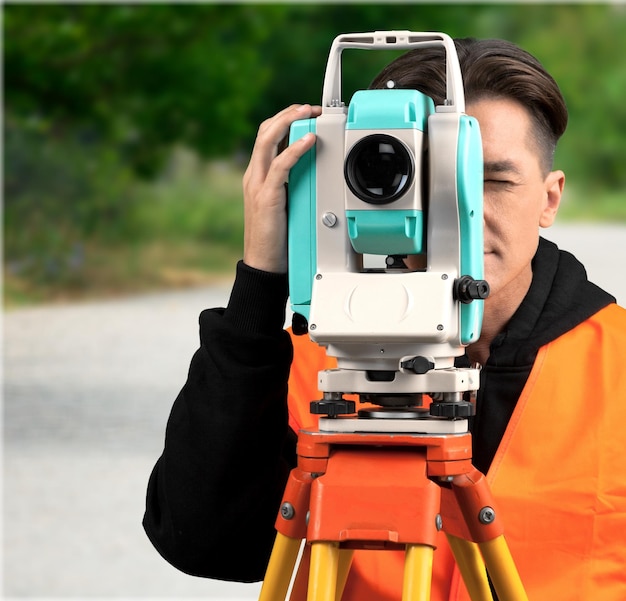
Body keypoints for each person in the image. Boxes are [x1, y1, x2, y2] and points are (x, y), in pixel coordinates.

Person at [143, 37, 626, 600]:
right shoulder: (315, 360)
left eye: (492, 180)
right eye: (425, 178)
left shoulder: (616, 365)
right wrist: (261, 282)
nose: (459, 209)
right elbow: (204, 542)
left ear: (549, 199)